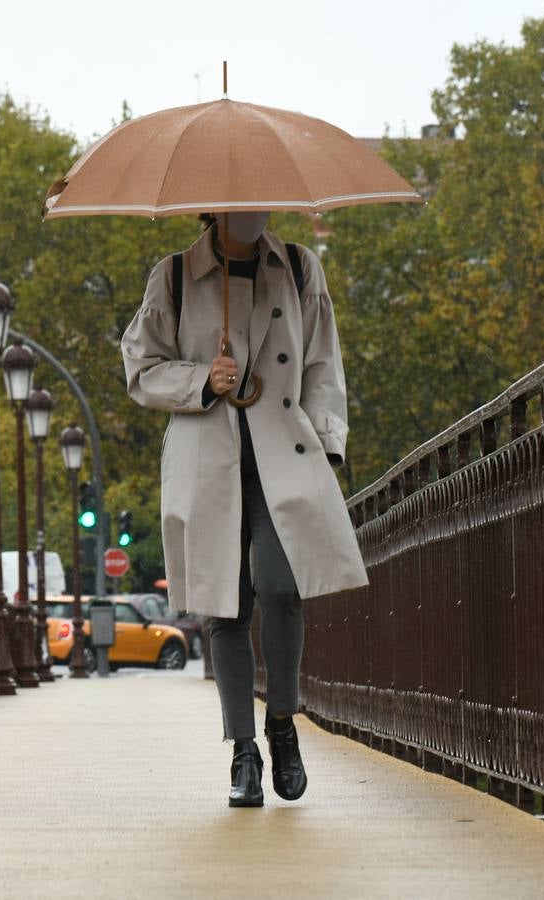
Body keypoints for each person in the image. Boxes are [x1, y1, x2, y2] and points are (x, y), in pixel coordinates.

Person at [121, 211, 368, 807]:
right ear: (215, 208)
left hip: (282, 454)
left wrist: (328, 445)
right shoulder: (175, 275)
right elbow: (140, 368)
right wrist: (204, 377)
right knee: (223, 604)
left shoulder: (301, 267)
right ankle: (243, 750)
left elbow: (322, 365)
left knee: (282, 588)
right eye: (240, 202)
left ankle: (282, 722)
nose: (254, 210)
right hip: (209, 457)